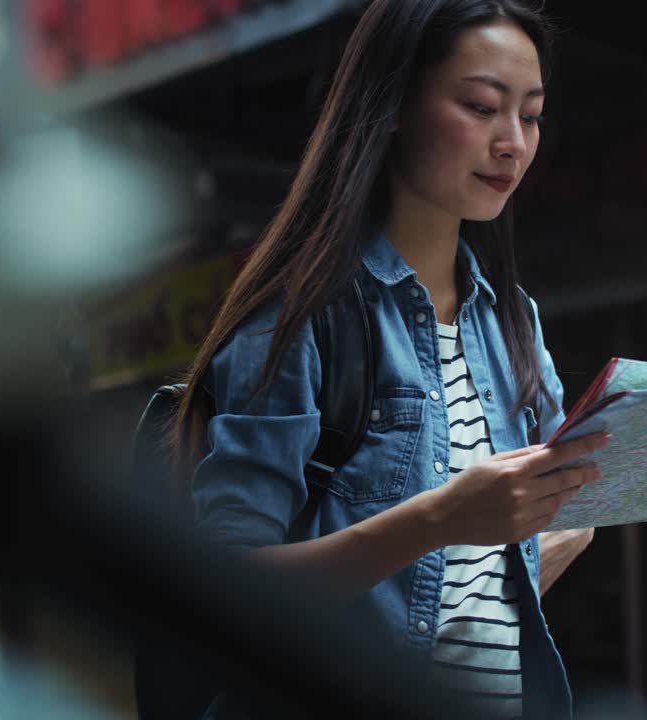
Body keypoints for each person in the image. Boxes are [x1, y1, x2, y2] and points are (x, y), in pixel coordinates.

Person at [170, 1, 609, 717]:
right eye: (481, 105)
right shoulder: (301, 316)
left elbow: (488, 565)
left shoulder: (511, 320)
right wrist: (438, 521)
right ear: (395, 105)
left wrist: (539, 541)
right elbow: (228, 592)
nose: (513, 143)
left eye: (530, 115)